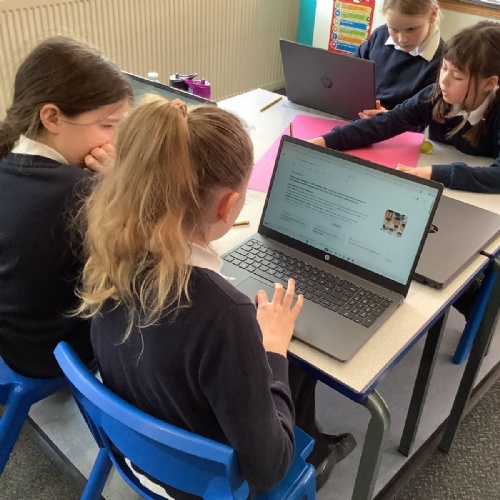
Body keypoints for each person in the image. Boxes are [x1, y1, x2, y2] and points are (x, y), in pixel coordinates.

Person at [77, 95, 355, 497]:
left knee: (290, 368)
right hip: (205, 485)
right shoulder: (226, 314)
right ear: (228, 206)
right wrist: (273, 347)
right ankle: (318, 453)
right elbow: (268, 469)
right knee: (291, 360)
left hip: (137, 453)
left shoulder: (108, 254)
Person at [0, 36, 131, 378]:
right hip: (56, 354)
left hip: (12, 340)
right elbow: (145, 255)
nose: (114, 140)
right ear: (52, 117)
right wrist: (117, 182)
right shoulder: (81, 191)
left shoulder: (8, 162)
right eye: (107, 126)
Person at [310, 21, 500, 194]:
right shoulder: (435, 94)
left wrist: (435, 173)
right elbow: (388, 122)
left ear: (489, 83)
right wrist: (327, 141)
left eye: (457, 77)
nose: (444, 81)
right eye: (443, 68)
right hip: (445, 180)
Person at [356, 0, 443, 118]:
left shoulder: (442, 62)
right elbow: (353, 72)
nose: (402, 39)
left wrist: (389, 118)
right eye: (394, 29)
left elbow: (426, 118)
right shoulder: (380, 34)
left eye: (411, 29)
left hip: (398, 126)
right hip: (359, 116)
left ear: (433, 14)